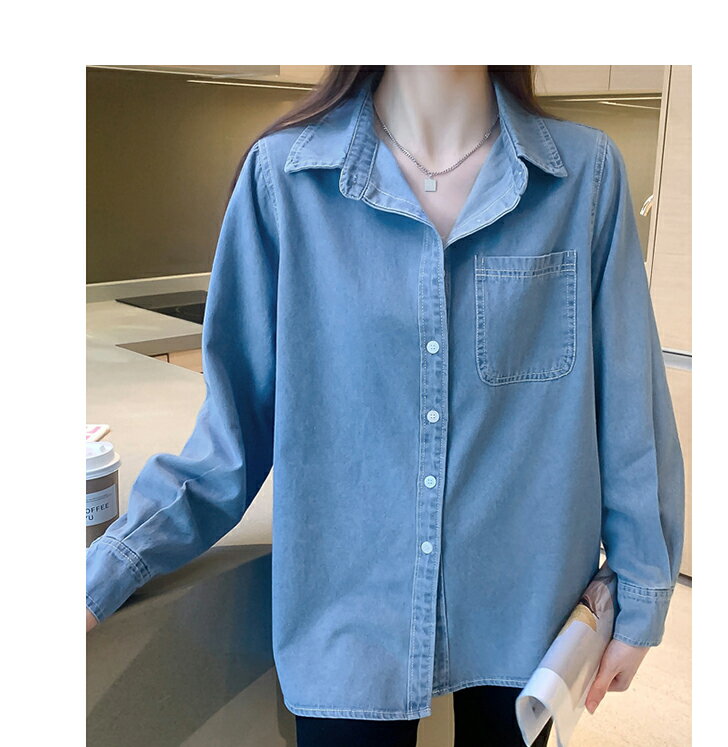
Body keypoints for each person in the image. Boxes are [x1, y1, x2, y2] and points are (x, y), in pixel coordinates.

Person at [86, 66, 685, 747]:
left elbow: (629, 411)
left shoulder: (585, 178)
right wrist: (108, 568)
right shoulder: (285, 180)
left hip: (527, 608)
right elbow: (231, 437)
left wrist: (641, 591)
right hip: (345, 618)